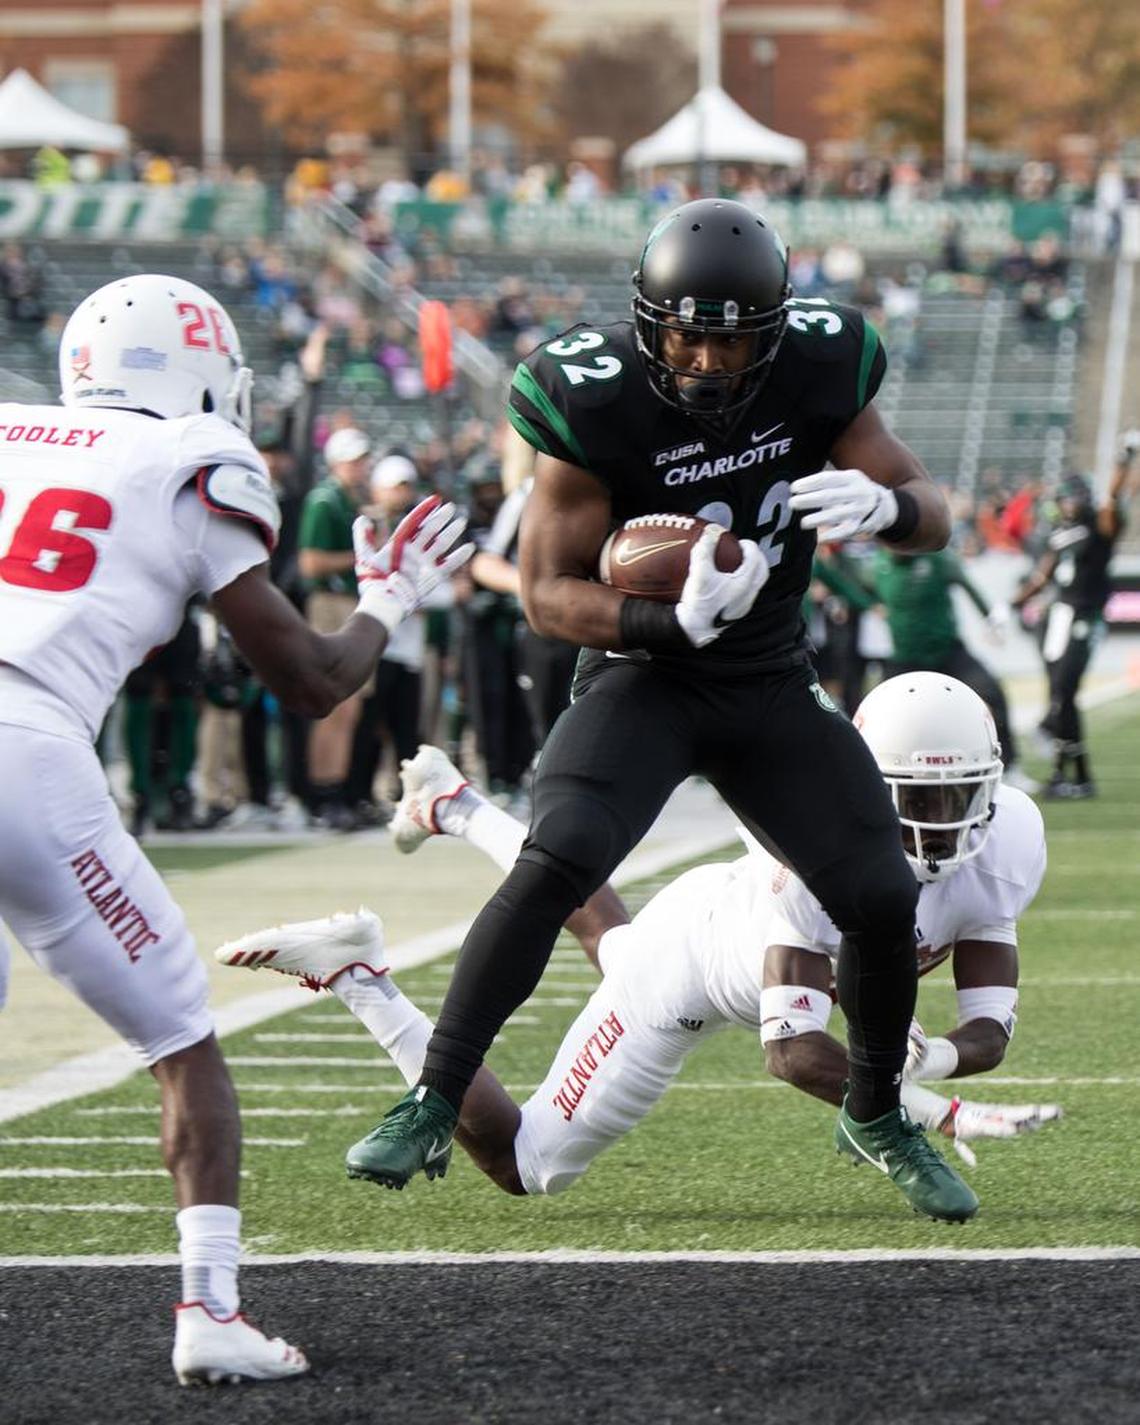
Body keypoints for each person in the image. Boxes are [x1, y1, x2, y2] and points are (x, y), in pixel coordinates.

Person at [341, 197, 978, 1222]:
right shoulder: (591, 395)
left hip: (767, 674)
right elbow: (549, 592)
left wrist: (889, 506)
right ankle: (435, 1095)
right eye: (689, 335)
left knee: (877, 893)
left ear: (772, 333)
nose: (712, 363)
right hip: (645, 673)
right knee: (562, 854)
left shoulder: (824, 363)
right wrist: (662, 623)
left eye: (734, 341)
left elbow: (928, 508)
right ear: (650, 323)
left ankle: (875, 1113)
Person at [0, 274, 471, 1386]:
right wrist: (389, 600)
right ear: (197, 369)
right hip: (24, 746)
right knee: (181, 1043)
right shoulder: (192, 458)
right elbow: (310, 681)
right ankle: (210, 1311)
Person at [216, 674, 1061, 1209]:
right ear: (858, 786)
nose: (935, 825)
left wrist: (935, 1059)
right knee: (528, 1164)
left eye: (954, 798)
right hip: (687, 971)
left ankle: (455, 806)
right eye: (913, 795)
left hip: (700, 920)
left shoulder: (1012, 841)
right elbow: (795, 1053)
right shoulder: (811, 856)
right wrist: (929, 1110)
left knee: (601, 926)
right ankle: (362, 972)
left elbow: (991, 1020)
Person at [1011, 436, 1138, 798]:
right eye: (1064, 498)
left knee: (1065, 693)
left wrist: (1124, 459)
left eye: (1072, 497)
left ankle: (1075, 773)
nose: (1067, 504)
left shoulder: (1101, 528)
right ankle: (1067, 774)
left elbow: (1115, 500)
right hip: (1060, 618)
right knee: (1059, 694)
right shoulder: (1058, 534)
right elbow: (1042, 577)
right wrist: (1009, 606)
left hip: (1085, 616)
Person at [871, 545, 1037, 793]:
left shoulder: (936, 560)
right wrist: (867, 604)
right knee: (878, 716)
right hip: (904, 657)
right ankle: (876, 779)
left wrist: (990, 620)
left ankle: (1010, 766)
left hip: (947, 650)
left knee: (992, 694)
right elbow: (846, 583)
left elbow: (967, 585)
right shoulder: (877, 566)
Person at [297, 424, 373, 829]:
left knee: (350, 708)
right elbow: (310, 562)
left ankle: (337, 789)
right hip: (330, 603)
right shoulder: (325, 500)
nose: (362, 467)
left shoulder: (345, 499)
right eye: (356, 460)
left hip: (346, 602)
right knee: (335, 705)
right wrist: (362, 559)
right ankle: (323, 791)